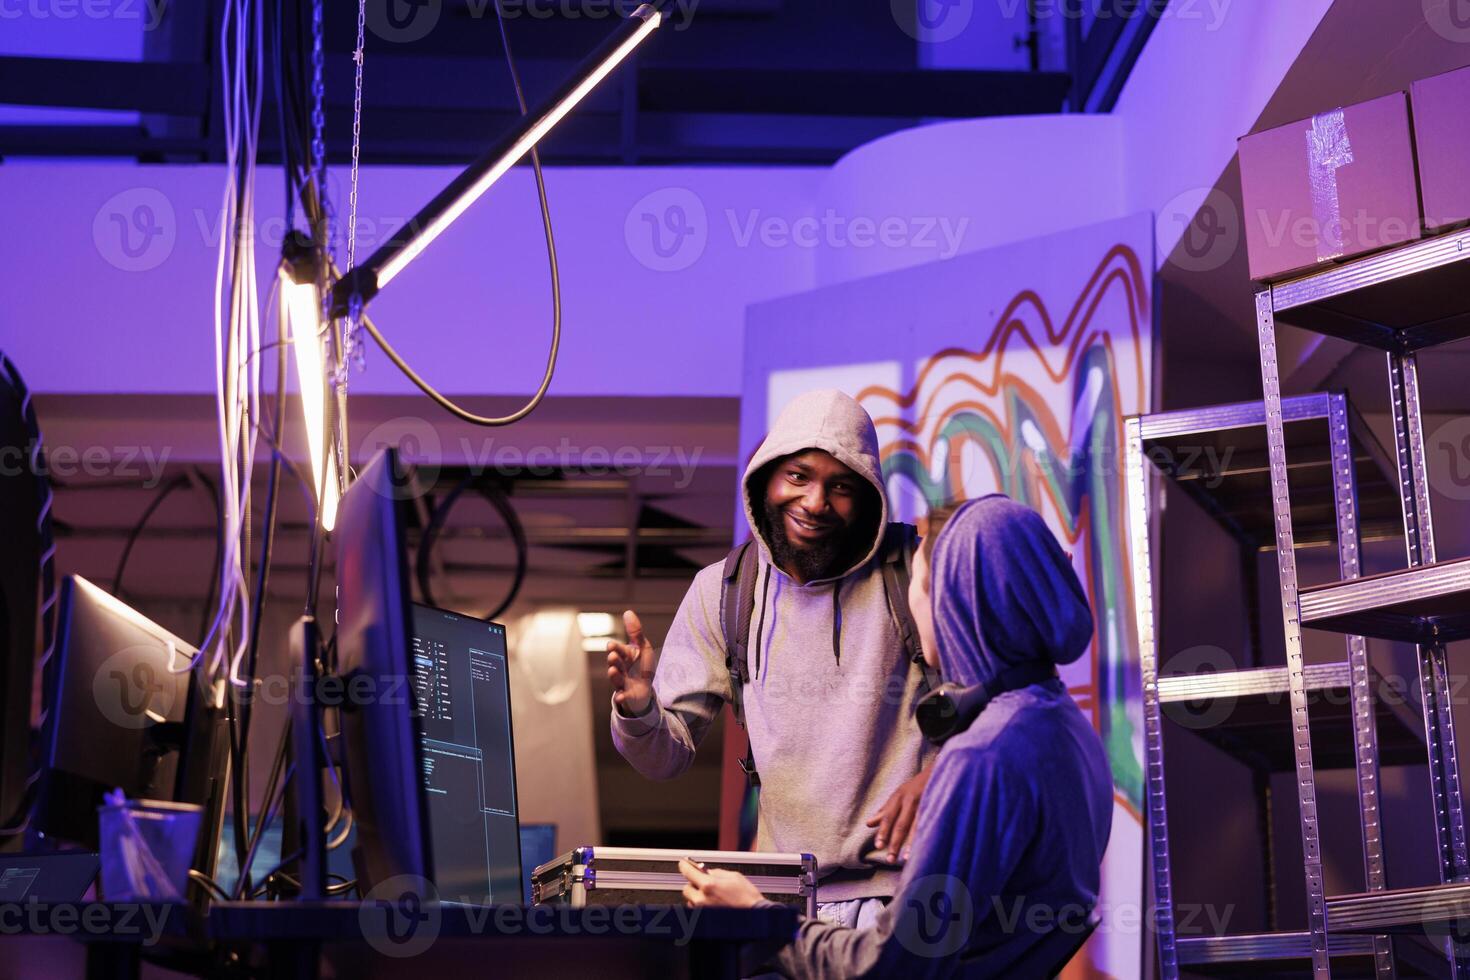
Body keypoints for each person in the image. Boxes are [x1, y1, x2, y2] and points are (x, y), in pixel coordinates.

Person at [679, 494, 1115, 978]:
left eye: (923, 580)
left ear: (956, 600)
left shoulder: (982, 757)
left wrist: (757, 916)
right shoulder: (1066, 729)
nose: (913, 595)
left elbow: (892, 966)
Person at [608, 389, 938, 923]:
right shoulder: (723, 592)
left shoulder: (916, 573)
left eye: (841, 486)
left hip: (906, 896)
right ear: (767, 478)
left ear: (869, 497)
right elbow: (666, 758)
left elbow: (1001, 706)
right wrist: (639, 708)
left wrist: (936, 778)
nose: (814, 502)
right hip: (780, 898)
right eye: (799, 477)